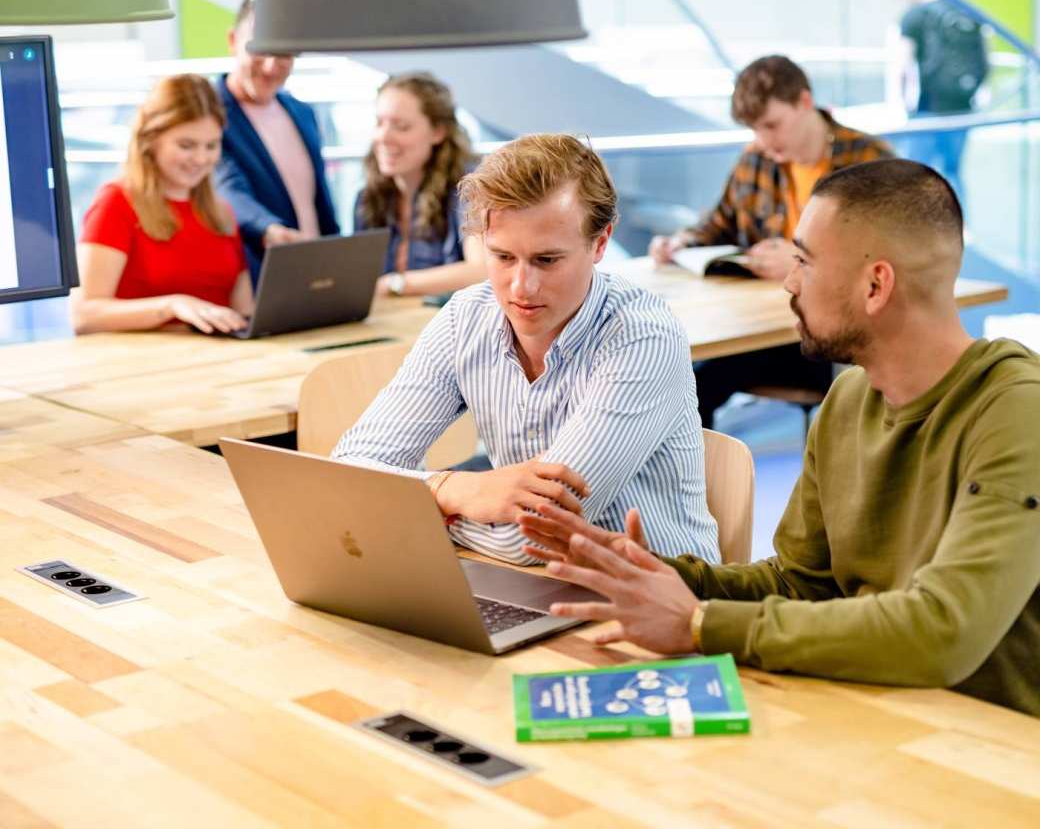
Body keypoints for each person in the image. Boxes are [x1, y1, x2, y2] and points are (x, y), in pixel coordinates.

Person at [521, 159, 1040, 717]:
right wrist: (665, 577)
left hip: (989, 750)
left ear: (875, 285)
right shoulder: (848, 400)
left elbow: (943, 630)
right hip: (875, 708)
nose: (790, 282)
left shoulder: (1018, 411)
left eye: (805, 261)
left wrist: (700, 624)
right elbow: (800, 583)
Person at [333, 134, 720, 565]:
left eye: (547, 260)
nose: (521, 288)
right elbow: (349, 474)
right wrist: (462, 489)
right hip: (519, 585)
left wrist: (418, 505)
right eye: (502, 258)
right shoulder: (466, 317)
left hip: (655, 604)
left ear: (601, 243)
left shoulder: (643, 337)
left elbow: (537, 538)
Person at [649, 55, 894, 428]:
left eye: (772, 125)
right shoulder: (756, 161)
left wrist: (804, 262)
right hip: (771, 332)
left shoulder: (868, 160)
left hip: (841, 339)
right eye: (755, 129)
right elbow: (719, 225)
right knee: (686, 384)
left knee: (701, 379)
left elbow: (889, 252)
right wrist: (680, 242)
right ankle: (695, 486)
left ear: (805, 102)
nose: (764, 141)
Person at [71, 75, 252, 335]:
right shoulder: (116, 203)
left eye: (211, 146)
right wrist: (171, 306)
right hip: (144, 365)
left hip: (219, 362)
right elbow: (84, 315)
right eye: (186, 145)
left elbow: (244, 312)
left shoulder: (221, 212)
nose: (201, 158)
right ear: (151, 139)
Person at [215, 0, 340, 283]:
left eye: (284, 53)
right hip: (257, 277)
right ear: (233, 41)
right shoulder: (209, 115)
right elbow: (226, 189)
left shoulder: (302, 112)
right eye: (260, 50)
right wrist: (267, 228)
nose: (271, 67)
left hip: (314, 274)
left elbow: (319, 202)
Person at [355, 71, 486, 298]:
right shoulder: (368, 197)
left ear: (438, 132)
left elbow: (482, 270)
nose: (383, 137)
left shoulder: (470, 187)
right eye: (379, 123)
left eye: (401, 126)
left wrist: (395, 284)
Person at [892, 0, 988, 204]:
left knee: (917, 177)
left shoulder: (914, 15)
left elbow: (903, 64)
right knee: (953, 172)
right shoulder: (959, 10)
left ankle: (920, 236)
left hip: (929, 107)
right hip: (962, 105)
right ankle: (960, 232)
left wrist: (903, 105)